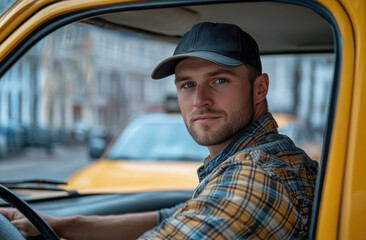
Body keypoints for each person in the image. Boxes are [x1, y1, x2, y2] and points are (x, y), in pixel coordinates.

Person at [0, 22, 318, 239]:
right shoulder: (255, 159)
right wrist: (59, 225)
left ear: (260, 88)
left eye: (219, 80)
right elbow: (174, 216)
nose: (199, 100)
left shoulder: (257, 178)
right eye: (187, 85)